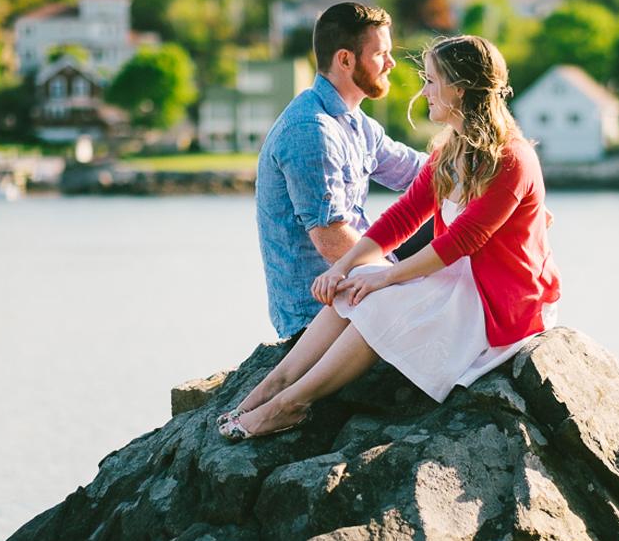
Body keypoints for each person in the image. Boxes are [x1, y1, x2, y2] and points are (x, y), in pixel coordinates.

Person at [221, 35, 561, 439]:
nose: (424, 92)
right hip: (458, 276)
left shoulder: (513, 160)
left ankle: (291, 404)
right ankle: (273, 385)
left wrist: (384, 276)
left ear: (461, 90)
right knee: (352, 288)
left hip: (500, 298)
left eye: (432, 81)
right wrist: (347, 266)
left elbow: (460, 242)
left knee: (381, 299)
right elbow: (403, 216)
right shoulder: (448, 152)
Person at [257, 2, 427, 339]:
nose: (391, 64)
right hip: (318, 314)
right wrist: (400, 281)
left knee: (458, 213)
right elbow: (332, 240)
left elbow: (420, 173)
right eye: (381, 54)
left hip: (358, 279)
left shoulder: (354, 122)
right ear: (346, 60)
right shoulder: (311, 129)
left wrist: (502, 189)